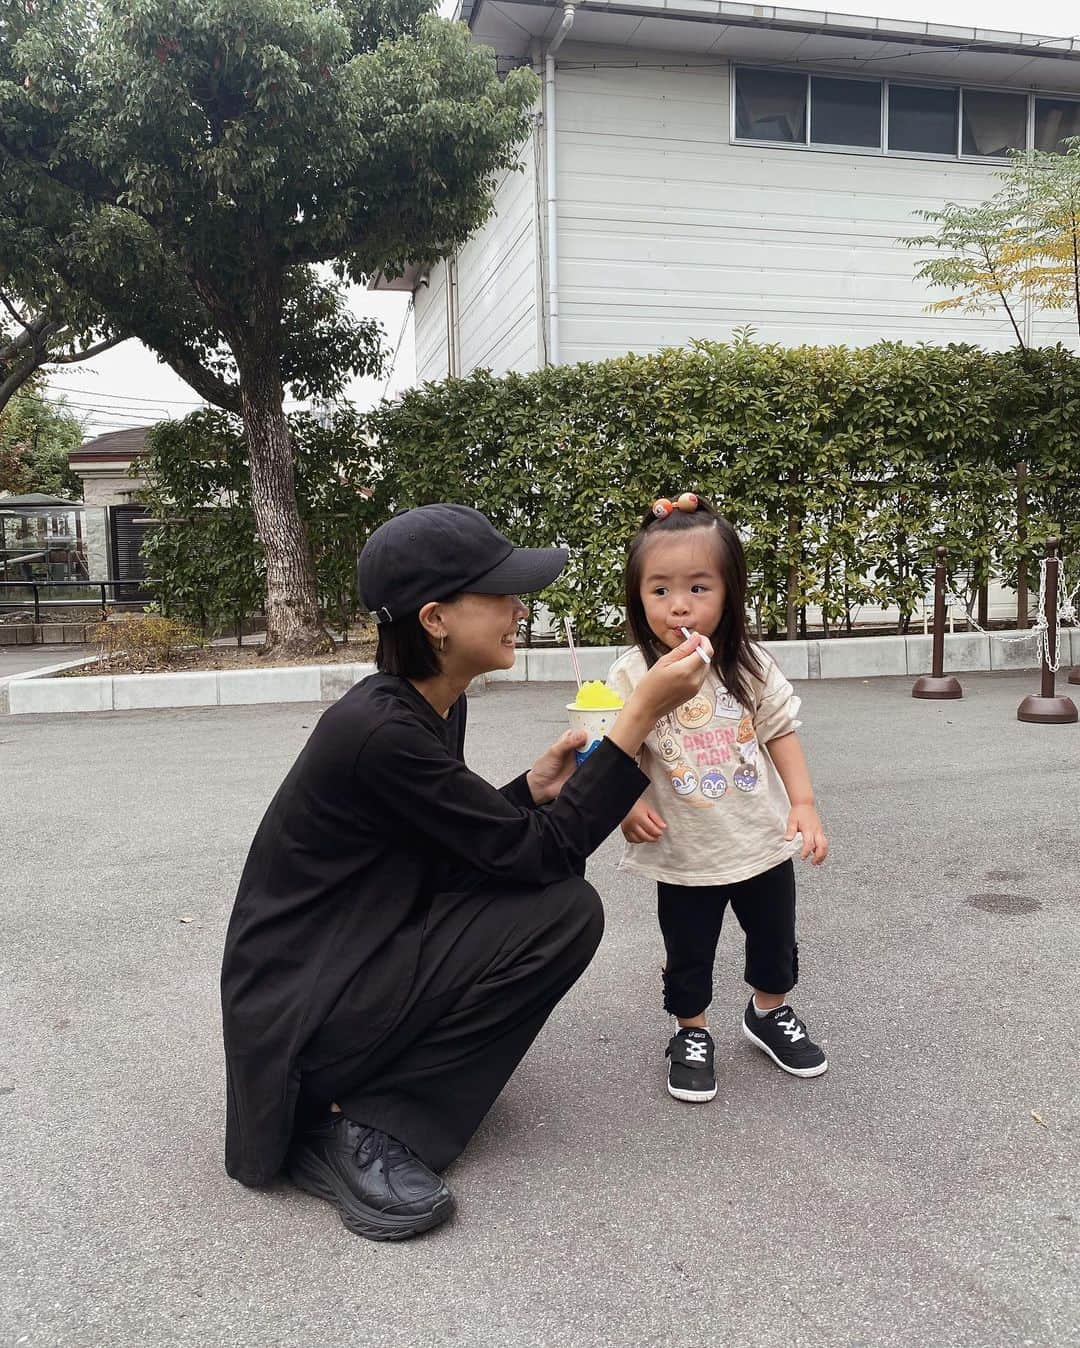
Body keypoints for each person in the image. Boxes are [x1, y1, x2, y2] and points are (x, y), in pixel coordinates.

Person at [220, 503, 713, 1241]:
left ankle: (377, 1096)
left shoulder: (425, 705)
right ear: (435, 619)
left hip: (349, 955)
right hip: (302, 1012)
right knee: (563, 910)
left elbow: (461, 844)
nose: (521, 607)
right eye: (500, 593)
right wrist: (635, 719)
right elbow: (537, 856)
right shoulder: (383, 730)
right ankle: (352, 1129)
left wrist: (529, 790)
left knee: (553, 902)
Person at [605, 493, 830, 1105]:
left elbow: (780, 729)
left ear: (729, 592)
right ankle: (690, 1031)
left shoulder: (747, 664)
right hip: (685, 851)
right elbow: (612, 750)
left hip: (760, 840)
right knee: (688, 951)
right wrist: (625, 806)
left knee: (774, 938)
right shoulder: (631, 674)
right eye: (659, 590)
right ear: (638, 597)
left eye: (699, 587)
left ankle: (768, 1012)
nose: (679, 604)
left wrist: (803, 804)